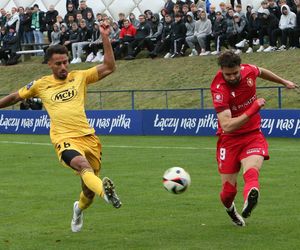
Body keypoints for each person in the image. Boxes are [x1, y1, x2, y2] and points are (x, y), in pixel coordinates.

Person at [0, 22, 121, 232]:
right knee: (83, 166)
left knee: (87, 193)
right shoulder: (40, 84)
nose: (64, 67)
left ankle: (78, 209)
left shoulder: (79, 77)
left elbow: (109, 67)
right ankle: (106, 192)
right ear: (49, 64)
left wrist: (105, 37)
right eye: (58, 64)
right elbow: (14, 97)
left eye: (65, 62)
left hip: (89, 138)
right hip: (64, 138)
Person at [210, 51, 298, 227]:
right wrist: (252, 109)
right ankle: (231, 210)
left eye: (235, 73)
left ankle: (250, 196)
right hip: (229, 140)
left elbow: (261, 71)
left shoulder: (248, 70)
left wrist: (283, 81)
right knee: (227, 193)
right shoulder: (219, 89)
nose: (233, 77)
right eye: (228, 74)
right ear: (222, 71)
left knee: (252, 171)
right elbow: (227, 125)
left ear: (240, 67)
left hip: (253, 135)